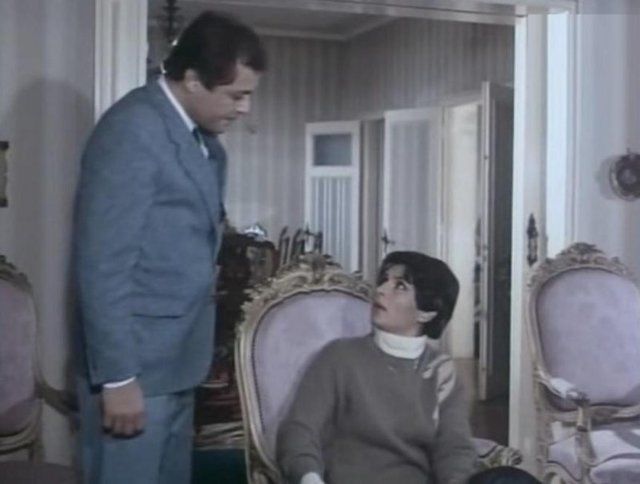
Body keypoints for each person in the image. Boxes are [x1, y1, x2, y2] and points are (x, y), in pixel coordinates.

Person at [73, 11, 265, 484]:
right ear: (193, 80)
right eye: (236, 95)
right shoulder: (133, 130)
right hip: (135, 368)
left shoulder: (206, 143)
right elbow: (102, 264)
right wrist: (118, 378)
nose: (245, 109)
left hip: (178, 361)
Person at [277, 251, 540, 484]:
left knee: (510, 480)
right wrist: (310, 478)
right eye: (384, 280)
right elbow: (299, 430)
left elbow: (453, 447)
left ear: (426, 313)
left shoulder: (442, 370)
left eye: (400, 286)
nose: (381, 290)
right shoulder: (339, 357)